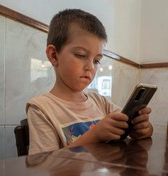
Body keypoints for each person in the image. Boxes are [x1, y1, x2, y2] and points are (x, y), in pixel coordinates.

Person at [26, 9, 153, 155]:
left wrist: (141, 129)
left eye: (97, 60)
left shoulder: (100, 102)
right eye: (81, 55)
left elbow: (127, 128)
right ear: (54, 55)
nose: (90, 67)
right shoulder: (41, 108)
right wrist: (94, 135)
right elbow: (44, 166)